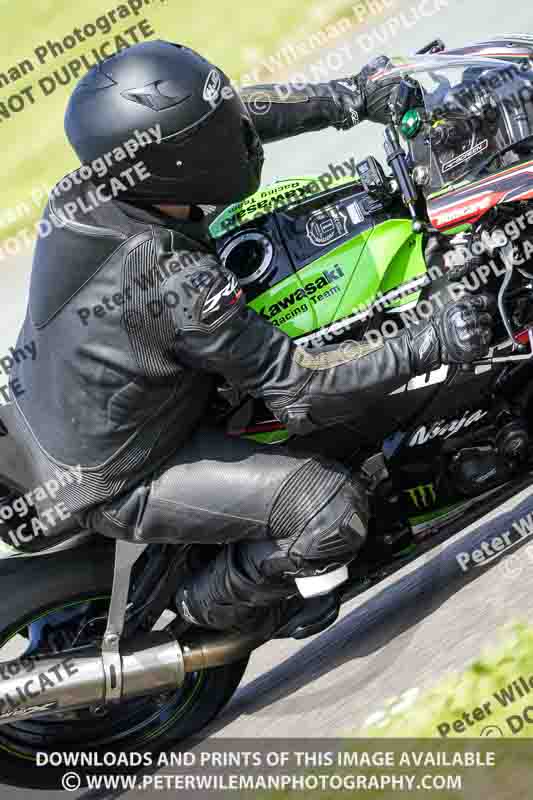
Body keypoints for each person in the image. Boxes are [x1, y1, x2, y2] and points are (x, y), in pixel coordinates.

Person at [9, 40, 493, 636]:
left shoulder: (92, 186)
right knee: (329, 510)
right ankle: (212, 610)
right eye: (212, 134)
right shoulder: (176, 282)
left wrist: (351, 96)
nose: (235, 132)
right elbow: (305, 388)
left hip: (64, 408)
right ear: (177, 160)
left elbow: (239, 114)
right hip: (119, 476)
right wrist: (430, 339)